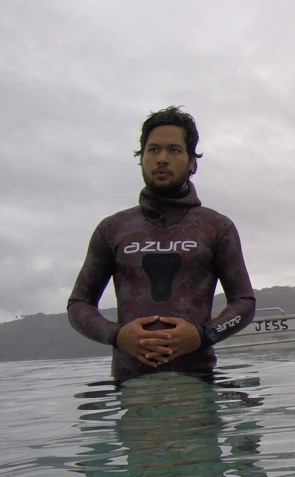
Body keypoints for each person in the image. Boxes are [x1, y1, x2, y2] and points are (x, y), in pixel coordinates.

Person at [67, 106, 256, 381]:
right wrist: (117, 335)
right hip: (130, 386)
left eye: (174, 150)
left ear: (192, 161)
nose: (162, 159)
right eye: (153, 149)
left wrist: (203, 335)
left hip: (198, 382)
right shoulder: (112, 229)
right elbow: (78, 304)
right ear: (141, 158)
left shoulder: (217, 227)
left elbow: (244, 302)